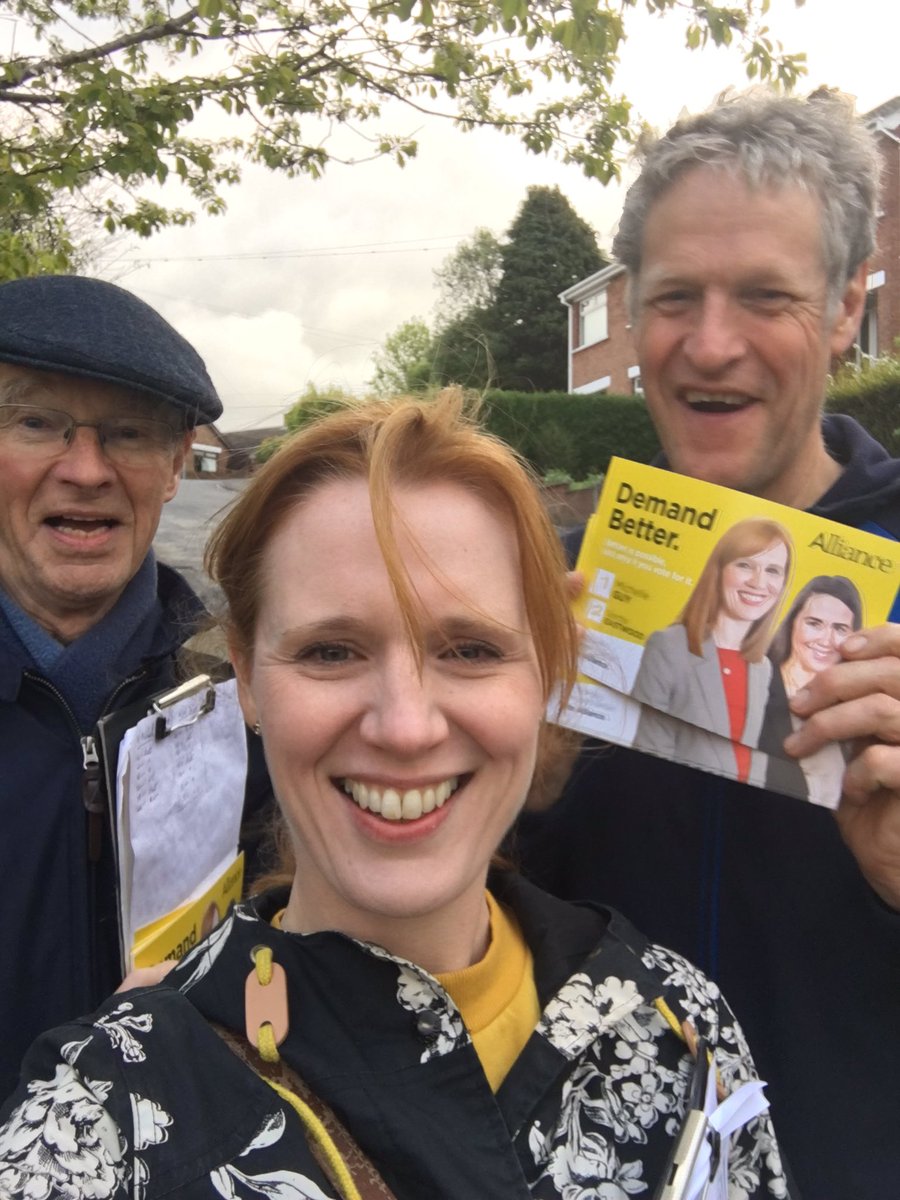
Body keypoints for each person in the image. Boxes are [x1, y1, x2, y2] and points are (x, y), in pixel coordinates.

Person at [0, 394, 789, 1199]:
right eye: (332, 651)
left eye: (471, 649)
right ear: (245, 676)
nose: (407, 727)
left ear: (551, 671)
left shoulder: (680, 1022)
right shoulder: (101, 1116)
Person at [516, 89, 900, 1199]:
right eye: (675, 297)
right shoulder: (555, 589)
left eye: (766, 297)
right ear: (632, 312)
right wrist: (510, 799)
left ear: (845, 308)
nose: (711, 343)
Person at [0, 275, 269, 1099]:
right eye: (36, 421)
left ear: (177, 466)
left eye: (129, 433)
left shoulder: (254, 700)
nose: (86, 469)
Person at [632, 517, 792, 784]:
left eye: (773, 570)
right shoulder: (668, 647)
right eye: (745, 565)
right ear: (718, 571)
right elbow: (647, 754)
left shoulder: (762, 668)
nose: (758, 582)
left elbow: (752, 760)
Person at [759, 575, 863, 806]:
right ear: (792, 622)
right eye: (814, 623)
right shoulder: (752, 683)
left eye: (840, 628)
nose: (826, 640)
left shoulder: (856, 715)